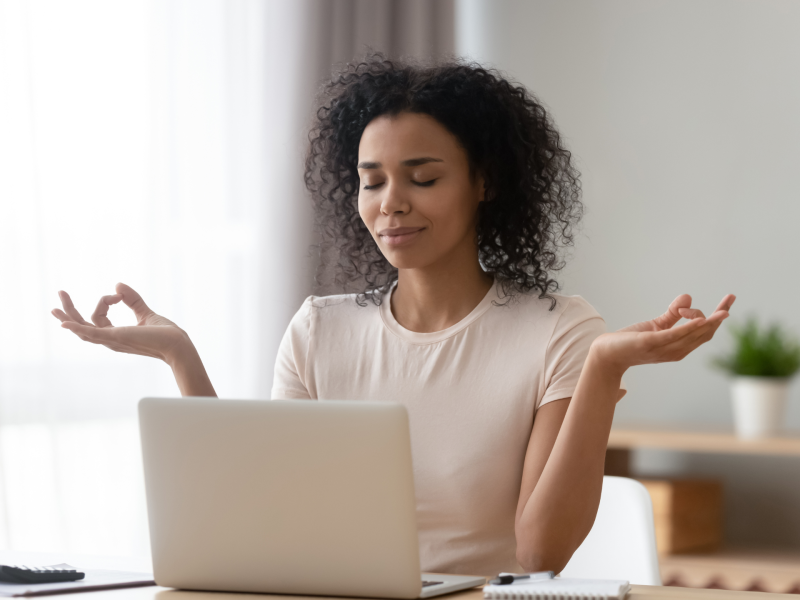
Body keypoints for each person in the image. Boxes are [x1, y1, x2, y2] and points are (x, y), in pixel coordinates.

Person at [52, 54, 735, 577]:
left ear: (484, 182)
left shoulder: (560, 330)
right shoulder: (320, 330)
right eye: (371, 180)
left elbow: (539, 553)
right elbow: (262, 523)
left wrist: (603, 368)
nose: (391, 203)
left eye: (424, 177)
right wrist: (182, 358)